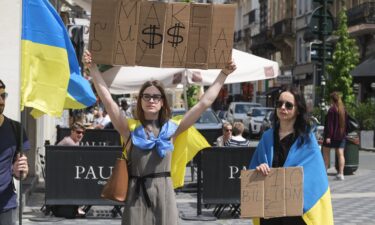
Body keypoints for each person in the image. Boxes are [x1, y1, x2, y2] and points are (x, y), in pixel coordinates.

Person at [84, 50, 236, 225]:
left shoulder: (171, 129)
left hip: (165, 195)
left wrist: (223, 74)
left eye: (156, 97)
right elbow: (108, 100)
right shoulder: (129, 129)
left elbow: (204, 103)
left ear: (163, 102)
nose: (151, 100)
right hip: (136, 195)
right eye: (146, 96)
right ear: (140, 100)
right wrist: (93, 68)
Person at [249, 86, 333, 225]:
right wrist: (259, 168)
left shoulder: (307, 139)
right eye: (279, 104)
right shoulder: (267, 137)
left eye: (288, 105)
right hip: (270, 210)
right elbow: (252, 172)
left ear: (298, 110)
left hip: (295, 212)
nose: (283, 108)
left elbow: (316, 175)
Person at [0, 79, 30, 225]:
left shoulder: (16, 128)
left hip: (7, 206)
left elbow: (21, 174)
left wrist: (20, 171)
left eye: (3, 96)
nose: (1, 101)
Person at [57, 122, 87, 216]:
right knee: (82, 180)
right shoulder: (69, 141)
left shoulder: (75, 141)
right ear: (72, 132)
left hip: (64, 171)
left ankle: (78, 205)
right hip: (60, 175)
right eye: (78, 132)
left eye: (82, 133)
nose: (81, 134)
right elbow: (78, 159)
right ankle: (78, 206)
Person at [322, 92, 348, 180]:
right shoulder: (343, 109)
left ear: (332, 100)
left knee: (326, 153)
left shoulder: (332, 110)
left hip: (331, 136)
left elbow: (330, 125)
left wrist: (328, 136)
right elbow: (346, 124)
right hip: (341, 136)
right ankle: (341, 173)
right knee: (341, 154)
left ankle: (324, 171)